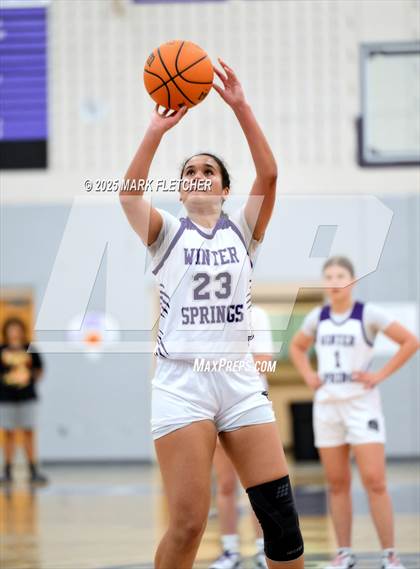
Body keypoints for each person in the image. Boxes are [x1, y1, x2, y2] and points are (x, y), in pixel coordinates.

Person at [120, 59, 304, 569]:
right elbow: (129, 194)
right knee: (187, 526)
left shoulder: (243, 231)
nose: (198, 176)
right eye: (190, 172)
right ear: (182, 192)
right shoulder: (166, 233)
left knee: (281, 524)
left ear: (224, 190)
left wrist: (241, 107)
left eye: (209, 171)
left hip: (239, 379)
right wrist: (155, 131)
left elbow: (269, 174)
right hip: (182, 384)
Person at [289, 256, 419, 569]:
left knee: (375, 481)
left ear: (352, 280)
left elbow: (410, 341)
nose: (334, 282)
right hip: (327, 407)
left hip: (361, 406)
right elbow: (296, 347)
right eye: (329, 276)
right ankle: (344, 553)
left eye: (340, 276)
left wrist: (379, 375)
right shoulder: (317, 317)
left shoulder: (367, 313)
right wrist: (308, 375)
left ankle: (390, 555)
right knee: (337, 484)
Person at [209, 305, 275, 569]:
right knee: (225, 485)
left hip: (249, 407)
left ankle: (262, 549)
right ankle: (230, 550)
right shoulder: (208, 314)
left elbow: (265, 362)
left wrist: (225, 365)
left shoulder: (256, 315)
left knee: (258, 486)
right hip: (217, 406)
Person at [0, 317, 48, 485]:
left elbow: (40, 370)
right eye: (11, 329)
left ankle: (33, 470)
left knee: (29, 433)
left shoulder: (31, 349)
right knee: (8, 434)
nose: (14, 333)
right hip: (6, 398)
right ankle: (7, 470)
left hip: (27, 397)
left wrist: (28, 378)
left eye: (17, 329)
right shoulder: (2, 350)